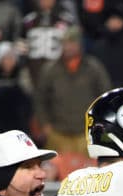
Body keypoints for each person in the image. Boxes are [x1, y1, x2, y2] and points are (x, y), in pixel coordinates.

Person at [34, 25, 111, 154]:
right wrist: (45, 124)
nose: (67, 47)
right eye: (64, 43)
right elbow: (40, 99)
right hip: (57, 134)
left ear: (80, 45)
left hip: (85, 134)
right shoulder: (50, 70)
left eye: (71, 43)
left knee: (88, 172)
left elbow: (105, 97)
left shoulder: (93, 68)